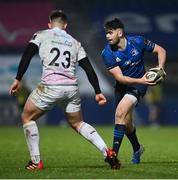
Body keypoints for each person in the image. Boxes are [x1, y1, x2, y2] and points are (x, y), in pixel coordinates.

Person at [9, 10, 120, 170]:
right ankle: (107, 151)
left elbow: (27, 55)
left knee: (27, 117)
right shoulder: (75, 42)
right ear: (65, 25)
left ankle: (35, 161)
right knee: (78, 123)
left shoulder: (41, 35)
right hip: (71, 89)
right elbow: (88, 68)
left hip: (50, 86)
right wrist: (97, 91)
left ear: (49, 24)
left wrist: (18, 78)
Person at [101, 18, 166, 166]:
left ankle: (113, 156)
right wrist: (142, 80)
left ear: (120, 32)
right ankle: (137, 148)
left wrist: (160, 68)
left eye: (110, 33)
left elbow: (161, 50)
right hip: (124, 85)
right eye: (106, 33)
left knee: (120, 113)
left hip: (139, 85)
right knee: (126, 121)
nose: (107, 36)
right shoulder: (107, 53)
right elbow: (120, 78)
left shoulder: (138, 41)